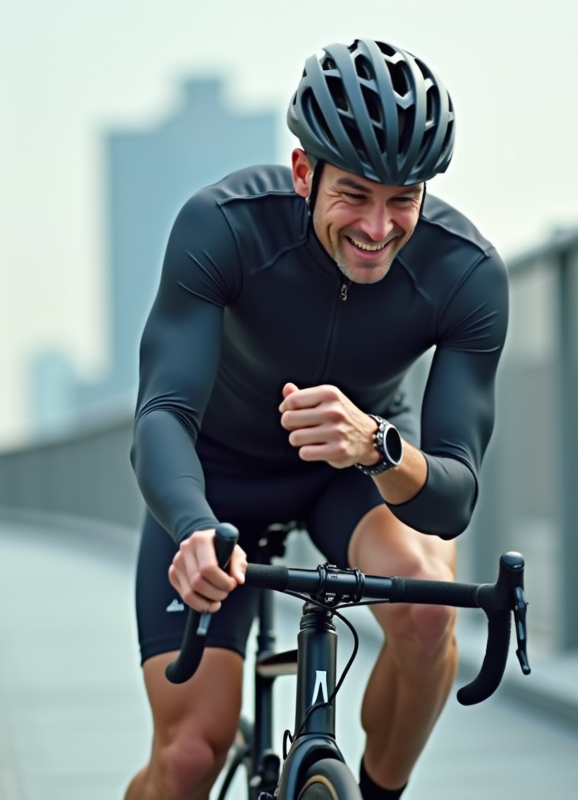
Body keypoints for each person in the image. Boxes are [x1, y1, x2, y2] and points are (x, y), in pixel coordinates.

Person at [125, 38, 508, 800]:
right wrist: (194, 530)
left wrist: (377, 443)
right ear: (305, 172)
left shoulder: (465, 273)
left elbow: (455, 496)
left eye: (404, 200)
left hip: (350, 480)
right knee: (192, 756)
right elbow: (162, 412)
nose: (377, 227)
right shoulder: (224, 226)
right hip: (218, 484)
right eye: (354, 195)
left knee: (430, 612)